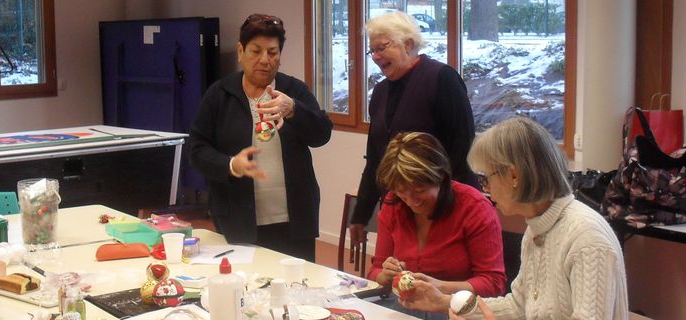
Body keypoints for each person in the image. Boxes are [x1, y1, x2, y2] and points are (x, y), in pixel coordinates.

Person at [401, 117, 629, 319]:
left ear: (513, 175)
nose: (486, 188)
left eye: (486, 178)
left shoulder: (586, 238)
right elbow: (519, 306)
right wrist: (443, 302)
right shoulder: (536, 230)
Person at [188, 13, 332, 262]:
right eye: (256, 51)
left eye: (273, 53)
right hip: (237, 219)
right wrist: (231, 165)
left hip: (294, 220)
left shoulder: (293, 90)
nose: (265, 60)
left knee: (296, 289)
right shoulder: (219, 94)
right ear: (240, 51)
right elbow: (197, 150)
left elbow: (321, 134)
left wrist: (294, 109)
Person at [349, 11, 479, 246]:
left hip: (447, 207)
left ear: (408, 44)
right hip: (402, 209)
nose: (376, 57)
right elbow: (377, 160)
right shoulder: (379, 93)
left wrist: (434, 199)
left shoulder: (442, 78)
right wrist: (360, 214)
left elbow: (461, 148)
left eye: (382, 48)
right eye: (373, 51)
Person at [369, 132, 506, 320]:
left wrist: (439, 287)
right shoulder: (394, 204)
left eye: (420, 191)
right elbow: (375, 271)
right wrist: (386, 275)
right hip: (404, 307)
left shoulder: (474, 208)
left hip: (455, 309)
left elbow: (493, 284)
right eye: (402, 192)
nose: (411, 201)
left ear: (441, 178)